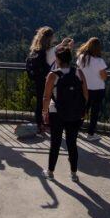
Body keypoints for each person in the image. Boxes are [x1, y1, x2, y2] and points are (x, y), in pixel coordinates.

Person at [42, 46, 88, 181]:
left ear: (58, 59)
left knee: (55, 143)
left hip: (57, 112)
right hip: (74, 113)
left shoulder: (53, 75)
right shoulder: (79, 73)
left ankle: (50, 172)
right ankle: (74, 174)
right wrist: (82, 109)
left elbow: (46, 97)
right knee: (72, 143)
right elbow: (86, 94)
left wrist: (45, 112)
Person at [76, 37, 108, 142]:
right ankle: (90, 134)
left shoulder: (81, 58)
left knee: (82, 110)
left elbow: (78, 71)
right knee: (94, 113)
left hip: (84, 88)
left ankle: (75, 129)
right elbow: (104, 77)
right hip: (98, 89)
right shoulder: (99, 61)